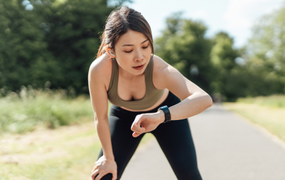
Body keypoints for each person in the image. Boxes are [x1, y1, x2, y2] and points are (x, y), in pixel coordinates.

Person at [88, 6, 212, 180]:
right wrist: (108, 158)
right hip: (124, 118)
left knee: (189, 175)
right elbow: (100, 117)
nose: (140, 57)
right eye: (128, 50)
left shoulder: (159, 70)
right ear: (111, 51)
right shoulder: (100, 70)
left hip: (166, 115)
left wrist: (161, 116)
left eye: (145, 46)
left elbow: (204, 99)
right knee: (105, 175)